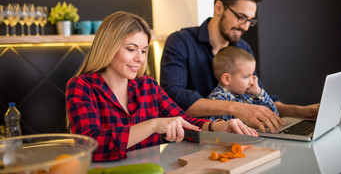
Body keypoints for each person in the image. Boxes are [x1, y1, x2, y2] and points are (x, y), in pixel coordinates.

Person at [66, 11, 257, 162]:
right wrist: (153, 125)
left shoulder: (147, 85)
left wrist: (217, 127)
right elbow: (91, 146)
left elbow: (184, 121)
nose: (140, 58)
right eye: (131, 49)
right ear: (109, 47)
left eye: (143, 50)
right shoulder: (81, 86)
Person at [160, 0, 319, 133]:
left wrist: (301, 112)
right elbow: (173, 97)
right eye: (241, 17)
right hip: (189, 140)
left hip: (238, 138)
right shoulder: (180, 42)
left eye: (250, 21)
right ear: (219, 8)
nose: (245, 27)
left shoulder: (243, 48)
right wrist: (236, 107)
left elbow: (256, 98)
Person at [207, 46, 279, 121]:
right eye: (246, 77)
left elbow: (273, 114)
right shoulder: (217, 101)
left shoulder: (248, 94)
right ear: (227, 79)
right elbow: (218, 129)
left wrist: (258, 92)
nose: (251, 82)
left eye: (252, 75)